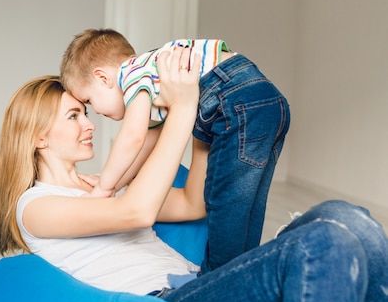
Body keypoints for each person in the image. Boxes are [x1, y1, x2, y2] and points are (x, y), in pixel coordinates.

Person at [0, 48, 388, 302]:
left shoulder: (99, 186)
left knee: (351, 218)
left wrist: (201, 117)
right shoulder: (34, 208)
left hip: (200, 283)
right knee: (322, 244)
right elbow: (138, 213)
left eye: (87, 113)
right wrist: (178, 111)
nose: (90, 124)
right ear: (38, 135)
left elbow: (192, 202)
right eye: (74, 116)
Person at [60, 28, 291, 274]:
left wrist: (103, 187)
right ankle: (244, 273)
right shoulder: (153, 82)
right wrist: (116, 185)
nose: (94, 111)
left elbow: (132, 138)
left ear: (103, 78)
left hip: (234, 99)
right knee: (247, 205)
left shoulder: (132, 76)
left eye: (89, 102)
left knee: (225, 204)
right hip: (264, 99)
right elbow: (146, 143)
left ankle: (215, 278)